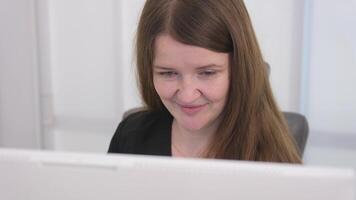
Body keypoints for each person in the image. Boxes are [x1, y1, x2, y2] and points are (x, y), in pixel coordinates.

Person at [108, 0, 302, 163]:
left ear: (239, 69)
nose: (187, 95)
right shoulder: (131, 138)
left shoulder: (273, 160)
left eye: (207, 73)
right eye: (167, 73)